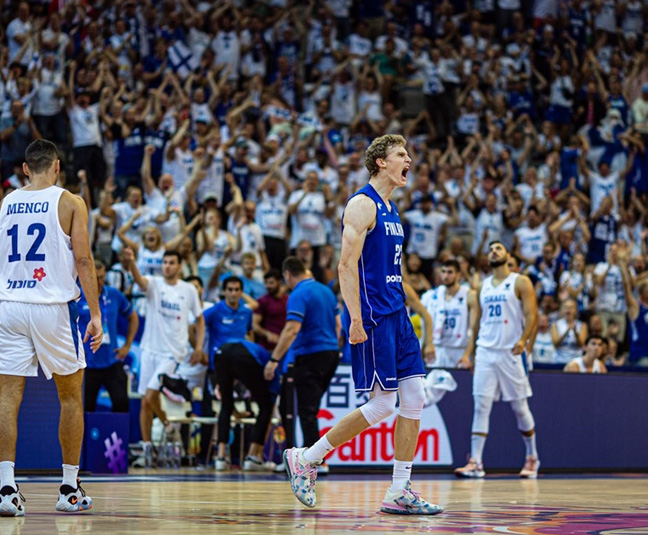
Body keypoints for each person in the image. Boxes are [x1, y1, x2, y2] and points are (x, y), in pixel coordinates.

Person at [279, 134, 442, 515]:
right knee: (384, 404)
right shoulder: (361, 204)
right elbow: (345, 265)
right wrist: (354, 317)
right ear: (381, 162)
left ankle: (399, 490)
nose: (409, 161)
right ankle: (307, 457)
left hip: (398, 313)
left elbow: (391, 268)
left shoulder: (391, 208)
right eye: (402, 155)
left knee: (414, 397)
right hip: (373, 315)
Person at [0, 139, 102, 515]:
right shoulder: (71, 202)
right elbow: (84, 259)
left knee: (7, 397)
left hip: (8, 305)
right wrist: (95, 314)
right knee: (70, 394)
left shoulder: (6, 203)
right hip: (52, 305)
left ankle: (5, 489)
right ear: (57, 167)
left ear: (25, 169)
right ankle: (68, 489)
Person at [455, 240, 540, 479]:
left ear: (508, 255)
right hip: (485, 351)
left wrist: (524, 341)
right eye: (490, 249)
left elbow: (532, 314)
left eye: (498, 248)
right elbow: (477, 322)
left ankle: (532, 457)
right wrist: (468, 353)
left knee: (520, 407)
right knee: (481, 405)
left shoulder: (520, 281)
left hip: (510, 351)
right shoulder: (483, 286)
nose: (493, 251)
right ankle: (476, 461)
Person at [122, 248, 204, 468]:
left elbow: (199, 319)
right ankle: (148, 449)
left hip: (173, 353)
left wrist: (197, 346)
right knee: (146, 402)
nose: (167, 265)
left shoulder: (188, 290)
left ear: (179, 266)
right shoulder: (155, 284)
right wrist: (131, 263)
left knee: (150, 396)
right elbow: (139, 279)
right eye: (165, 262)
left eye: (172, 262)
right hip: (149, 350)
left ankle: (167, 425)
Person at [263, 257, 341, 469]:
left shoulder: (298, 294)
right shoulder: (326, 291)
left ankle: (314, 461)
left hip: (310, 355)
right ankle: (313, 458)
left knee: (305, 410)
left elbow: (291, 329)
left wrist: (274, 360)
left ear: (287, 274)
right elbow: (338, 325)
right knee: (311, 408)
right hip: (331, 354)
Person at [204, 276, 278, 471]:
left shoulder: (245, 313)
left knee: (226, 406)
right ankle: (253, 456)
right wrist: (198, 348)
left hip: (227, 359)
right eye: (230, 289)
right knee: (266, 403)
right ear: (223, 291)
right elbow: (197, 323)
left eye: (237, 290)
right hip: (226, 358)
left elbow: (250, 333)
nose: (234, 293)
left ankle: (221, 457)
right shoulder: (214, 310)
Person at [79, 260, 139, 412]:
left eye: (102, 277)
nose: (99, 282)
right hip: (88, 363)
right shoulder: (77, 295)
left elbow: (133, 318)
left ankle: (118, 435)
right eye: (95, 278)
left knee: (121, 404)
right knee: (85, 408)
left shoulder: (114, 294)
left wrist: (127, 345)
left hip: (111, 361)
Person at [421, 259, 476, 369]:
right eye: (443, 271)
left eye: (450, 272)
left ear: (458, 274)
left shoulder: (469, 295)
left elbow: (474, 328)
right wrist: (426, 345)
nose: (446, 276)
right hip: (437, 349)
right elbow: (425, 324)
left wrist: (467, 354)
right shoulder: (431, 296)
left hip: (459, 349)